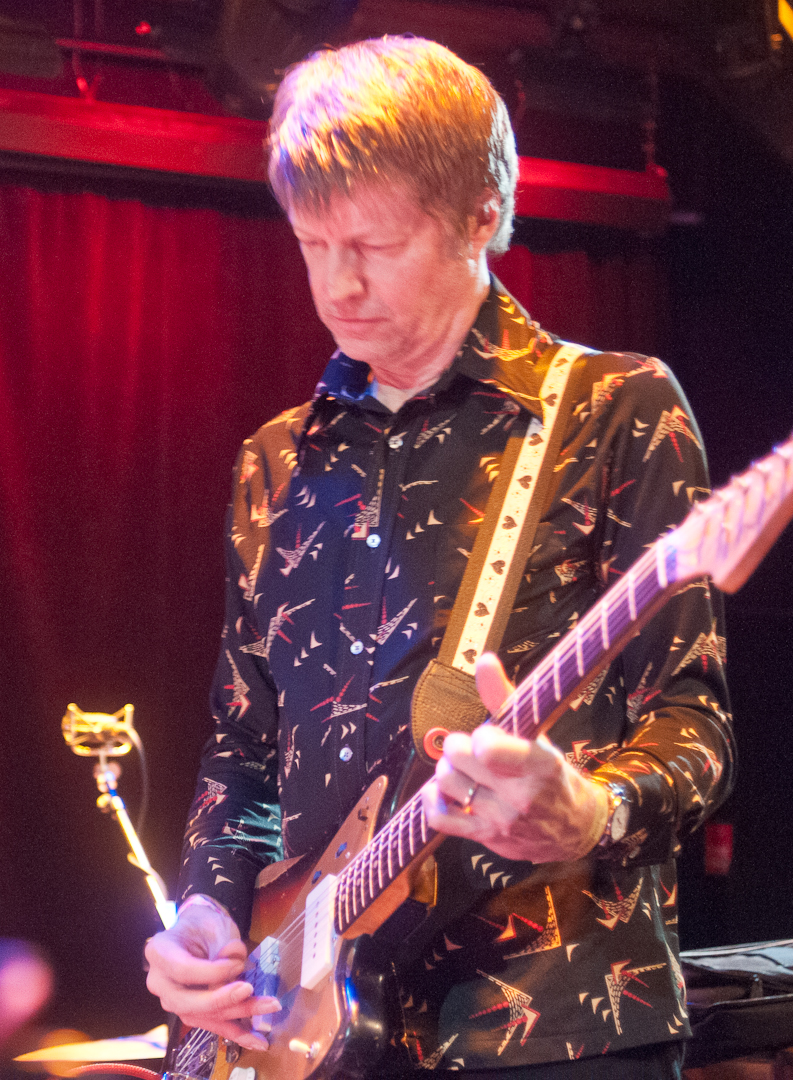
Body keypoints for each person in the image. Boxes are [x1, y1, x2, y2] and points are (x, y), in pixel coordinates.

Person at [145, 36, 734, 1079]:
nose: (338, 284)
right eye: (313, 243)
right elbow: (242, 750)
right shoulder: (273, 461)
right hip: (313, 1035)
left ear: (480, 216)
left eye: (373, 242)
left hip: (556, 1024)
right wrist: (206, 907)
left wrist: (593, 808)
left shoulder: (615, 410)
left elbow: (694, 726)